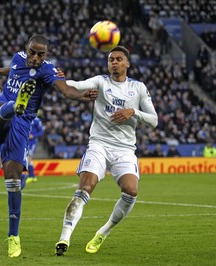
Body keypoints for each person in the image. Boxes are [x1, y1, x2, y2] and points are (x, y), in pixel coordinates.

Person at [0, 34, 98, 258]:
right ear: (26, 49)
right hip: (1, 109)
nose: (35, 57)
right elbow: (13, 70)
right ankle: (14, 105)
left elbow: (65, 91)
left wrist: (82, 95)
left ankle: (13, 236)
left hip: (22, 124)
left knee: (13, 177)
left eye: (41, 54)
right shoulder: (17, 58)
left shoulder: (47, 70)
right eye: (32, 52)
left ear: (46, 55)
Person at [54, 46, 158, 256]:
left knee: (131, 190)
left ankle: (104, 231)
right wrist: (59, 79)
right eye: (111, 59)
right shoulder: (100, 82)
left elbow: (154, 120)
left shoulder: (138, 88)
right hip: (99, 145)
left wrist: (133, 112)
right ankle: (64, 237)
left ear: (127, 63)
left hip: (125, 149)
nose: (114, 62)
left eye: (119, 59)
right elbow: (76, 85)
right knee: (85, 187)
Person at [26, 111, 44, 184]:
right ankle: (33, 177)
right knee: (28, 159)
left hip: (32, 142)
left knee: (29, 158)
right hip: (25, 141)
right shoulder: (26, 119)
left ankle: (31, 176)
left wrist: (34, 135)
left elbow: (41, 131)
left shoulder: (37, 120)